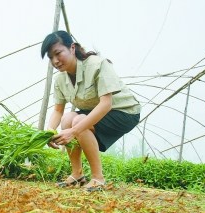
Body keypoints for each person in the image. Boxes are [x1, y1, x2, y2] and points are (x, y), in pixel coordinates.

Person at [41, 30, 141, 191]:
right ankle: (77, 174)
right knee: (67, 119)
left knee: (78, 122)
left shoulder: (97, 65)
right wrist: (49, 131)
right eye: (50, 57)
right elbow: (58, 110)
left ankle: (98, 178)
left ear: (72, 48)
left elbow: (106, 104)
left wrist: (74, 131)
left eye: (58, 53)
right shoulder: (60, 79)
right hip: (99, 111)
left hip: (125, 112)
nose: (55, 61)